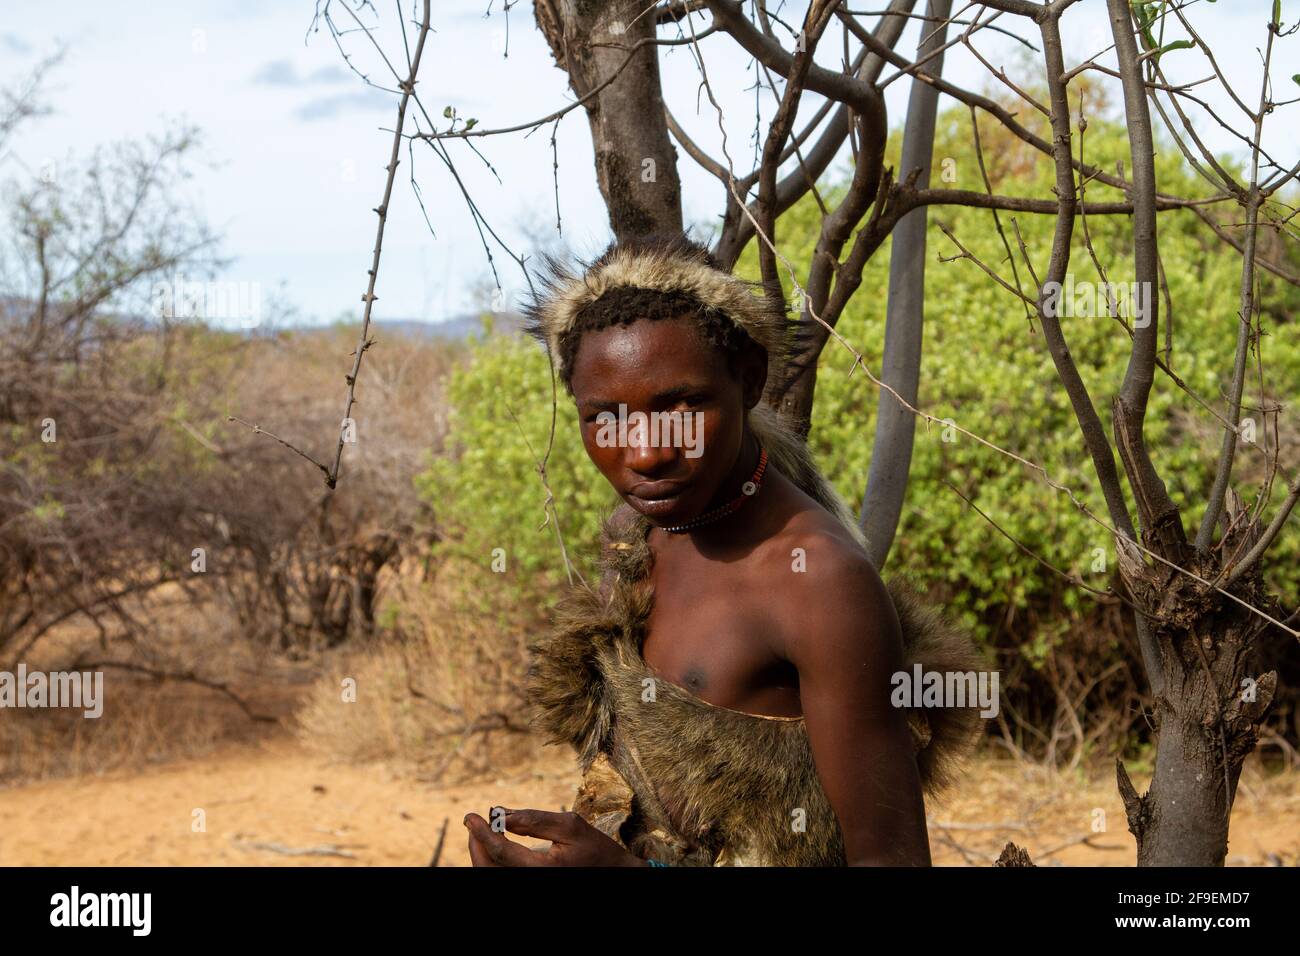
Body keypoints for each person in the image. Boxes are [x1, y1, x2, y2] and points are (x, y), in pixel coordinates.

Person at [464, 233, 983, 866]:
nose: (647, 452)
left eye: (682, 406)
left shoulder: (816, 582)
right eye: (606, 417)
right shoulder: (638, 538)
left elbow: (892, 861)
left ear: (751, 379)